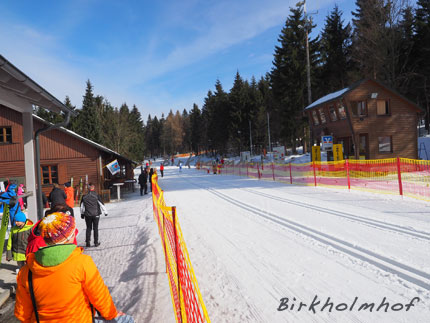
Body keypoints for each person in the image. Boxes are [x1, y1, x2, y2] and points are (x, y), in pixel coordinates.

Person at [15, 212, 133, 323]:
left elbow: (23, 314)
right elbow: (99, 296)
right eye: (73, 232)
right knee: (127, 320)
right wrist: (112, 314)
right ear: (68, 238)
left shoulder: (26, 271)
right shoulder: (82, 263)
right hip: (80, 319)